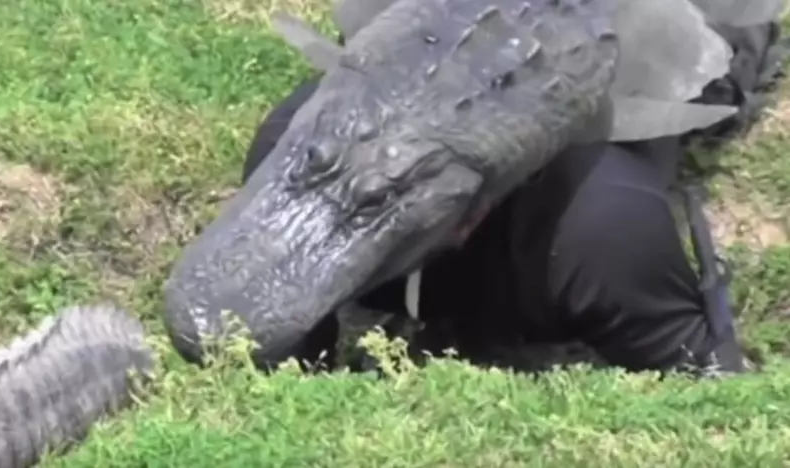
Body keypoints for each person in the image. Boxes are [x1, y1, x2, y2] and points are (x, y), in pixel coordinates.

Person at [240, 20, 789, 377]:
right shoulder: (295, 152)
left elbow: (710, 385)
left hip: (637, 42)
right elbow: (262, 353)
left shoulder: (598, 236)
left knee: (713, 41)